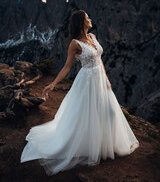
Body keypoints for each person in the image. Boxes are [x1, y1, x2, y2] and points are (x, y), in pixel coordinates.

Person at [20, 10, 139, 176]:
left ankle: (106, 144)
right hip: (87, 81)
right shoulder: (74, 44)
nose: (90, 19)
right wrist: (53, 84)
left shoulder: (94, 37)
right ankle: (87, 146)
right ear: (81, 22)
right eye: (87, 17)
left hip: (100, 80)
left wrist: (106, 79)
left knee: (109, 112)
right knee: (87, 115)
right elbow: (67, 67)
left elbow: (100, 60)